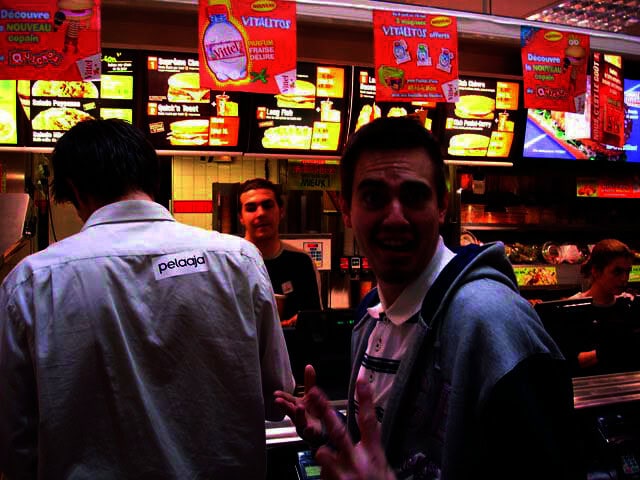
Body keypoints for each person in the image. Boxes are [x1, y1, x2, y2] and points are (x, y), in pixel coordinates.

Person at [276, 116, 579, 479]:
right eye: (373, 197)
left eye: (414, 196)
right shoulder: (371, 314)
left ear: (442, 206)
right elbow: (390, 449)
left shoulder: (493, 321)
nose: (395, 218)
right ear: (346, 209)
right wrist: (332, 431)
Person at [0, 119, 294, 479]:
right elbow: (278, 398)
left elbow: (15, 444)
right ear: (151, 176)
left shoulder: (31, 282)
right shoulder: (239, 260)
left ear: (74, 189)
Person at [238, 178, 322, 327]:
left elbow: (315, 320)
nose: (261, 213)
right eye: (251, 208)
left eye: (267, 205)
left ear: (281, 211)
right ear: (241, 218)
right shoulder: (231, 261)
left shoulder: (301, 262)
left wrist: (300, 323)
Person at [568, 238, 637, 372]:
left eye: (627, 271)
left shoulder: (628, 305)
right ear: (596, 271)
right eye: (617, 272)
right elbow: (568, 361)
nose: (624, 279)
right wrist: (607, 351)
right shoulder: (572, 308)